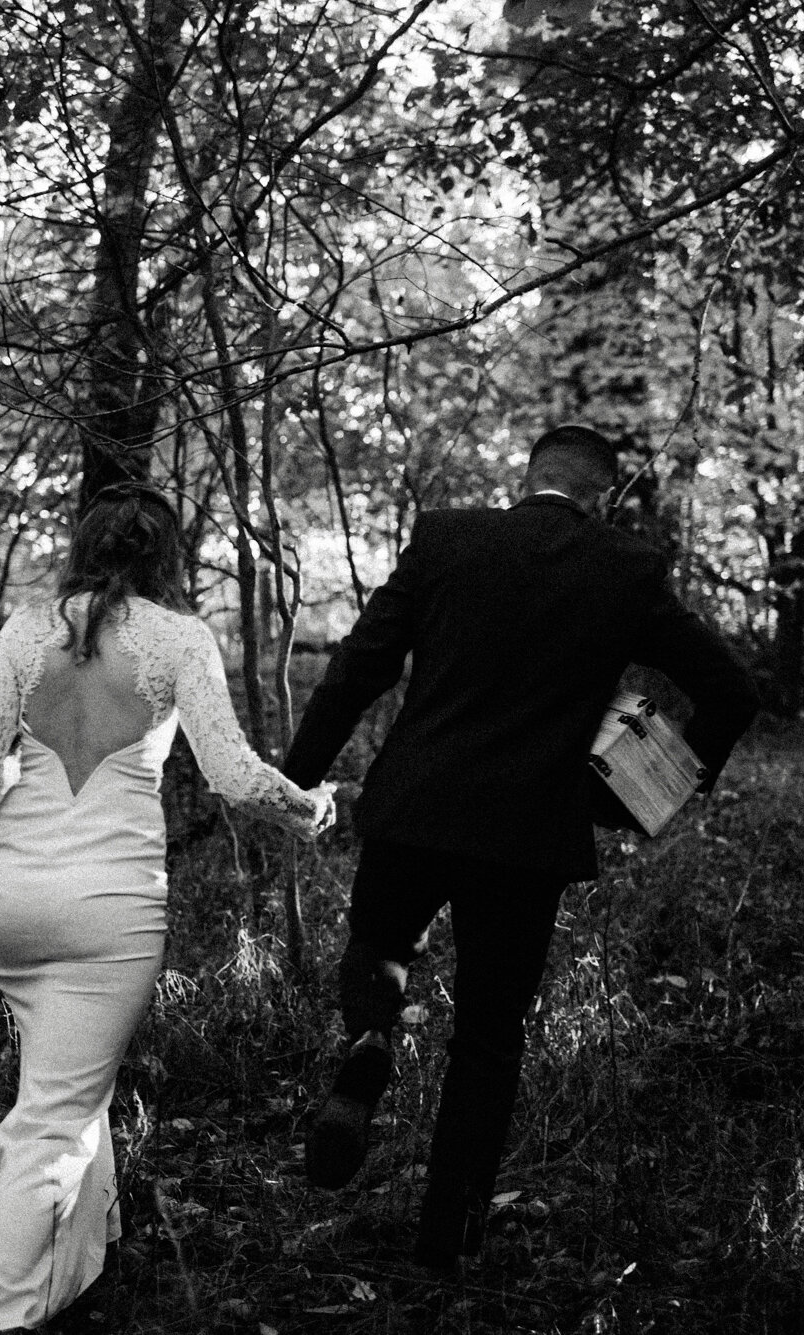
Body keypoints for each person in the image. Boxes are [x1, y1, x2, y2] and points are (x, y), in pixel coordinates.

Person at [280, 424, 760, 1273]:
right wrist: (672, 781)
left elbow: (359, 666)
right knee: (490, 1037)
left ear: (528, 475)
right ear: (601, 495)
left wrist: (298, 780)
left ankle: (371, 1050)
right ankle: (445, 1240)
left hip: (414, 810)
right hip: (527, 835)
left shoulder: (447, 538)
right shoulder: (626, 568)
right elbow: (731, 684)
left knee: (378, 950)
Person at [0, 481, 335, 1332]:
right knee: (52, 1123)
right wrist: (307, 805)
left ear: (85, 547)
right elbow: (231, 773)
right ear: (167, 558)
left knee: (64, 1075)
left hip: (9, 899)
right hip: (107, 910)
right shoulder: (177, 639)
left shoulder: (22, 631)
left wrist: (16, 775)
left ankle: (83, 1260)